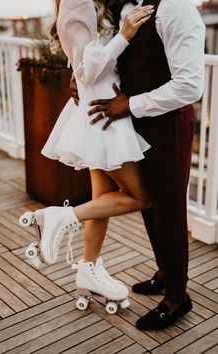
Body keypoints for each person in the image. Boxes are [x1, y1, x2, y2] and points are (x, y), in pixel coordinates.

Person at [19, 0, 154, 314]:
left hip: (98, 107)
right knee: (140, 196)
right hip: (103, 112)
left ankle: (87, 269)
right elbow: (88, 69)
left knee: (102, 198)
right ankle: (58, 218)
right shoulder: (77, 1)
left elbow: (81, 59)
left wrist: (77, 74)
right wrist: (125, 34)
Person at [82, 0, 205, 329]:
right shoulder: (127, 7)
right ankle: (166, 273)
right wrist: (82, 82)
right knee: (149, 204)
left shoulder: (177, 8)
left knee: (169, 208)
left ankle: (178, 298)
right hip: (137, 122)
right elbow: (126, 62)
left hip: (169, 126)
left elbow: (190, 85)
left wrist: (130, 103)